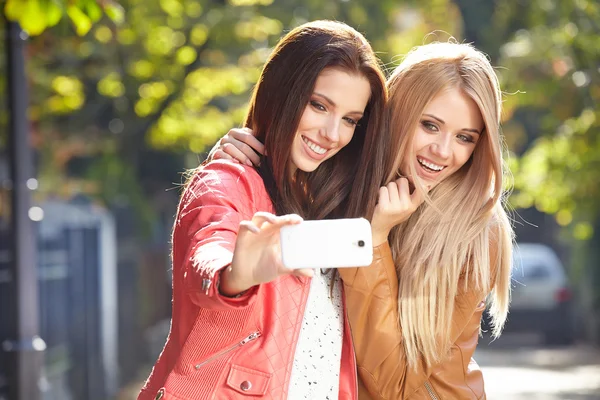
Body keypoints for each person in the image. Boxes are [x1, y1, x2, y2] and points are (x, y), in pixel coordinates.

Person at [208, 41, 514, 399]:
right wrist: (236, 159)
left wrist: (374, 239)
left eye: (465, 138)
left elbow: (393, 384)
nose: (443, 151)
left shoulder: (476, 232)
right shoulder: (346, 181)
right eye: (429, 126)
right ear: (397, 116)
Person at [137, 20, 389, 400]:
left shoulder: (334, 202)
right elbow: (208, 250)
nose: (332, 133)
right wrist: (234, 274)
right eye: (319, 105)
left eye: (351, 120)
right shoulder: (227, 180)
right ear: (282, 93)